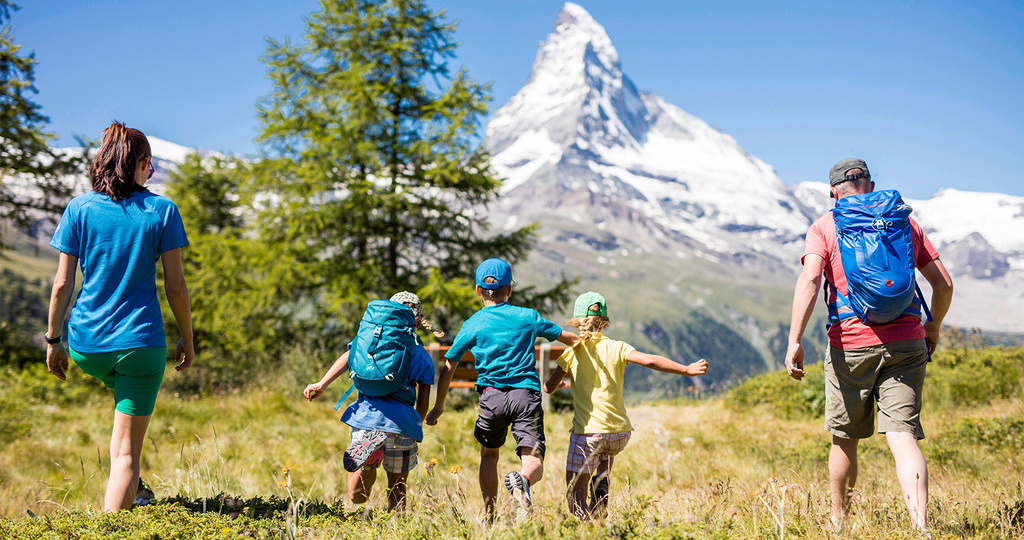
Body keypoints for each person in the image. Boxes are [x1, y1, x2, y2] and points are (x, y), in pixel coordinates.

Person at [784, 158, 953, 532]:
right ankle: (921, 526)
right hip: (907, 342)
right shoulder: (903, 222)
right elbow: (943, 285)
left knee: (844, 440)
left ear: (833, 192)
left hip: (850, 345)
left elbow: (810, 280)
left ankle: (839, 523)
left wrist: (795, 340)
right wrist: (933, 328)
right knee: (903, 435)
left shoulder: (824, 227)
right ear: (871, 184)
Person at [45, 122, 195, 512]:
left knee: (121, 421)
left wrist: (52, 340)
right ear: (142, 164)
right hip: (141, 345)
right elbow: (175, 286)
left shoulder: (79, 208)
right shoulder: (162, 210)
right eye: (150, 166)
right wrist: (187, 339)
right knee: (126, 455)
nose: (153, 174)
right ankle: (118, 516)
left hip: (86, 345)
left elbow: (62, 284)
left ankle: (136, 492)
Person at [425, 258, 578, 519]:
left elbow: (448, 367)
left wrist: (438, 408)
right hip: (526, 395)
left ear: (477, 290)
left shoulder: (472, 324)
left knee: (489, 454)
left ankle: (489, 514)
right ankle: (524, 480)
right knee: (533, 456)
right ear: (509, 290)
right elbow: (571, 339)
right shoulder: (528, 316)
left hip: (491, 398)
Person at [543, 291, 709, 519]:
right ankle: (601, 484)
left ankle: (587, 530)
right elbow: (650, 360)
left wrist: (559, 385)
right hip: (619, 434)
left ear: (575, 322)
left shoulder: (572, 353)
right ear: (606, 323)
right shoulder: (618, 347)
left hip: (588, 433)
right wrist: (686, 369)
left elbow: (548, 387)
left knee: (575, 496)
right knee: (604, 449)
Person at [303, 292, 437, 513]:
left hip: (366, 417)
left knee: (356, 498)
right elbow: (423, 401)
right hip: (401, 423)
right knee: (397, 487)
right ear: (418, 320)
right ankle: (397, 528)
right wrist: (417, 424)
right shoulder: (421, 354)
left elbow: (348, 356)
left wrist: (322, 383)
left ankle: (367, 464)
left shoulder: (368, 341)